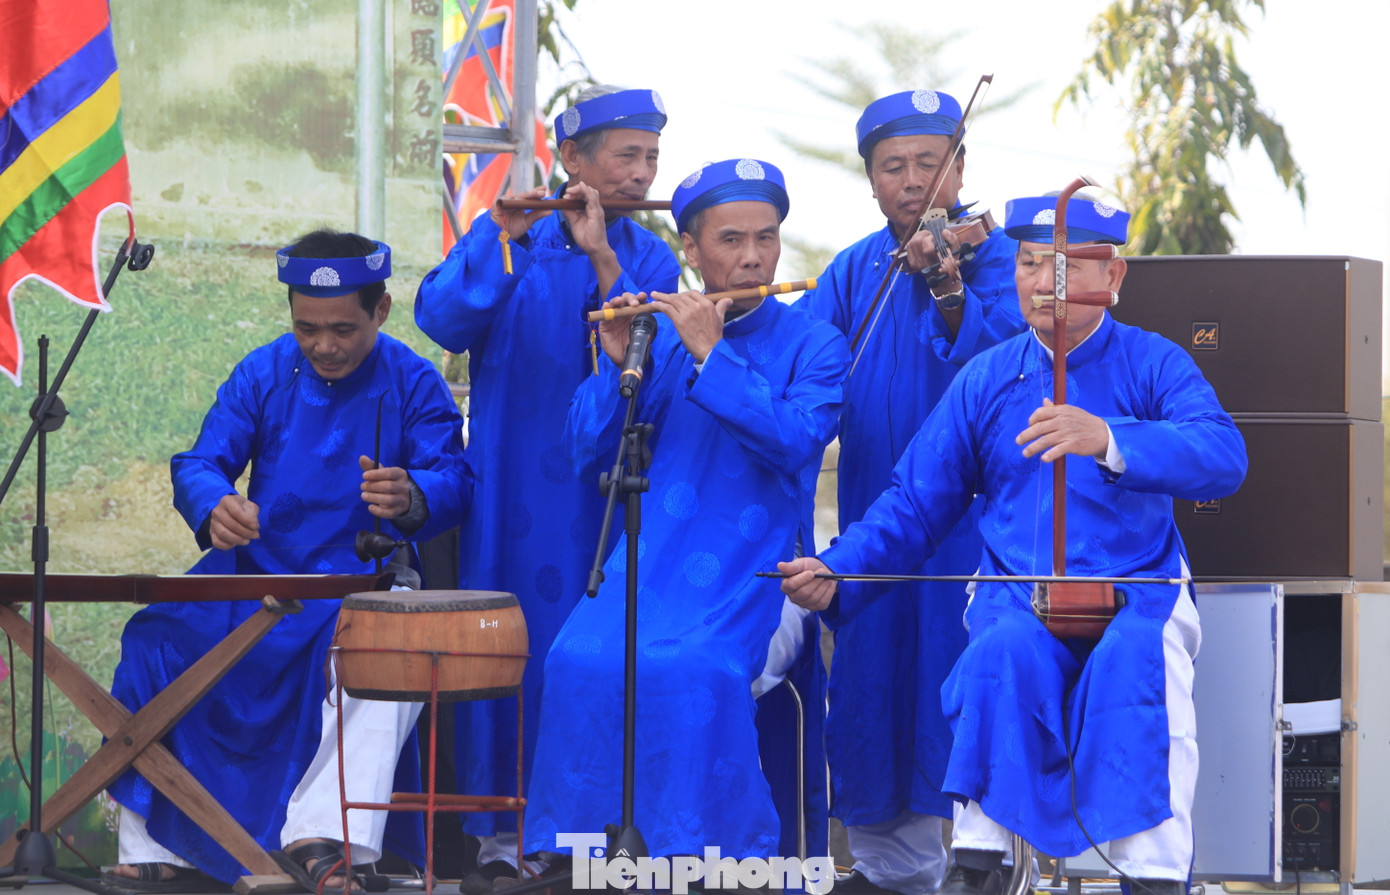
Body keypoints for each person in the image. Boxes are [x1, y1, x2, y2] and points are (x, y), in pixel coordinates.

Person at [779, 194, 1248, 895]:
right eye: (1030, 263)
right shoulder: (988, 377)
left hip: (1134, 598)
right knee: (999, 655)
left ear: (1113, 277)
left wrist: (1111, 438)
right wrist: (840, 569)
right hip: (1016, 599)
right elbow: (915, 500)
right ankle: (980, 865)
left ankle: (1152, 878)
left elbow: (1223, 453)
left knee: (1136, 667)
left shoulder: (1154, 362)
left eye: (1065, 266)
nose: (1041, 282)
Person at [104, 230, 471, 890]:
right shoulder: (266, 371)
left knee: (392, 651)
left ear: (380, 311)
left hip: (361, 583)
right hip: (256, 577)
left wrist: (412, 492)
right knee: (156, 639)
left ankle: (325, 843)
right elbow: (201, 461)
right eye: (307, 328)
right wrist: (214, 502)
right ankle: (157, 842)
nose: (323, 345)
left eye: (342, 329)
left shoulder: (413, 381)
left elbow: (455, 480)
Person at [524, 158, 848, 865]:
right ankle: (585, 851)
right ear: (692, 252)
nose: (753, 256)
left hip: (764, 575)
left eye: (765, 238)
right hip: (648, 567)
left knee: (696, 667)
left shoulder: (815, 343)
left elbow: (795, 441)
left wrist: (711, 354)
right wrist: (614, 367)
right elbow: (591, 453)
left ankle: (707, 857)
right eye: (730, 240)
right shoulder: (656, 333)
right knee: (575, 656)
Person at [414, 84, 681, 890]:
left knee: (588, 656)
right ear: (572, 160)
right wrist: (500, 230)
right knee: (504, 645)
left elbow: (652, 354)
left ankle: (579, 835)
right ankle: (499, 839)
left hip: (605, 499)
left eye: (651, 158)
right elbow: (440, 319)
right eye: (625, 155)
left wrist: (604, 256)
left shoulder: (650, 255)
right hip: (509, 497)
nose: (641, 172)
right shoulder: (512, 241)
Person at [794, 89, 1023, 895]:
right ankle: (889, 870)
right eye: (894, 167)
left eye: (931, 163)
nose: (914, 181)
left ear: (960, 168)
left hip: (968, 522)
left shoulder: (1003, 260)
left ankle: (980, 861)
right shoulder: (856, 268)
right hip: (872, 514)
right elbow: (807, 362)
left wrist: (947, 286)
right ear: (871, 181)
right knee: (868, 678)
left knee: (953, 676)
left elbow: (997, 361)